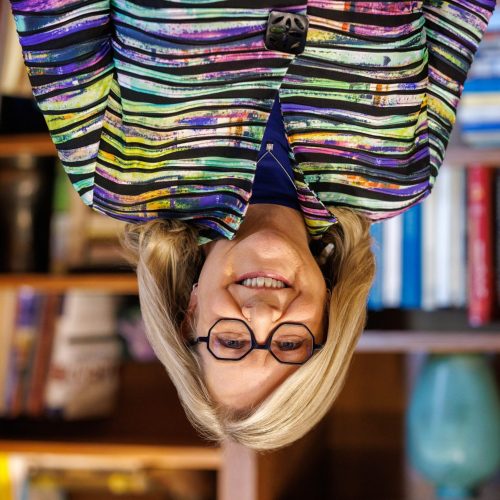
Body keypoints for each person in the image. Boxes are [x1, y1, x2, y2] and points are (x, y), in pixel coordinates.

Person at [7, 0, 496, 451]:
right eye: (290, 344)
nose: (262, 315)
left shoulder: (116, 176)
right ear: (327, 319)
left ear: (190, 315)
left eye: (232, 341)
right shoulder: (395, 176)